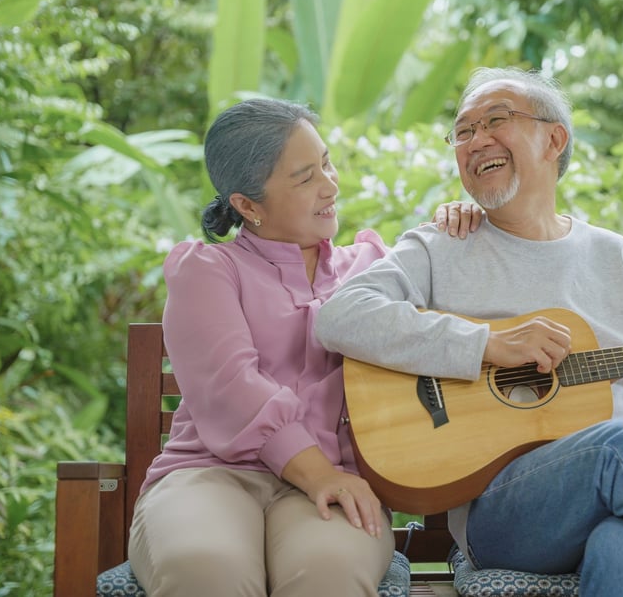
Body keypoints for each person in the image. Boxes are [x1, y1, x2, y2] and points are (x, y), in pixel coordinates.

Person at [315, 67, 623, 596]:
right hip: (506, 513)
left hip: (619, 498)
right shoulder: (441, 246)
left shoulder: (615, 256)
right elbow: (342, 315)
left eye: (495, 120)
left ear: (555, 139)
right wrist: (488, 344)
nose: (476, 140)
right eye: (463, 131)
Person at [127, 97, 481, 597]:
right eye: (304, 177)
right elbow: (231, 387)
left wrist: (464, 223)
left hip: (342, 482)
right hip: (211, 475)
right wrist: (314, 473)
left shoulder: (373, 266)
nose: (330, 185)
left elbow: (460, 311)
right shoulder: (208, 272)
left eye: (327, 163)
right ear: (247, 205)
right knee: (205, 569)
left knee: (327, 576)